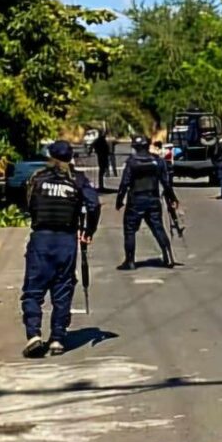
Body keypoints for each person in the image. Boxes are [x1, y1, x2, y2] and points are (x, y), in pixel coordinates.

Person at [21, 140, 101, 358]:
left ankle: (34, 336)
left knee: (33, 289)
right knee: (63, 288)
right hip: (66, 240)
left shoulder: (37, 177)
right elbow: (94, 205)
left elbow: (27, 204)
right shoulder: (77, 180)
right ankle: (57, 338)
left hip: (41, 239)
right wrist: (88, 231)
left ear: (50, 156)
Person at [115, 135, 179, 270]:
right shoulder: (157, 161)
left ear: (134, 147)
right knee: (158, 228)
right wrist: (172, 198)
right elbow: (166, 183)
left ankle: (130, 261)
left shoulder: (131, 162)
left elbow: (124, 183)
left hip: (135, 201)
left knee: (130, 230)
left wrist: (119, 200)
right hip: (153, 199)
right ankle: (168, 257)